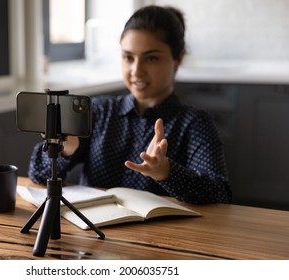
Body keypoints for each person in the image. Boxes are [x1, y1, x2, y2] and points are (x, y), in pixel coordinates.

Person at [28, 5, 232, 204]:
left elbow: (220, 193)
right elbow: (37, 174)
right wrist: (65, 150)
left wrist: (166, 172)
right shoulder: (99, 111)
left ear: (178, 58)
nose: (136, 70)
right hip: (94, 232)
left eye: (151, 58)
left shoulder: (195, 123)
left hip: (164, 236)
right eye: (128, 57)